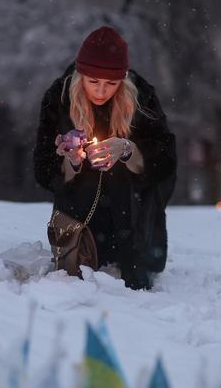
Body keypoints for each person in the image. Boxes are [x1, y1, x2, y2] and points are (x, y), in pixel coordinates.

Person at [33, 26, 177, 290]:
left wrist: (129, 151)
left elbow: (166, 161)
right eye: (93, 82)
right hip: (80, 233)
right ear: (80, 76)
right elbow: (42, 170)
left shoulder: (141, 98)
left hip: (133, 229)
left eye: (111, 84)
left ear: (122, 81)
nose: (101, 92)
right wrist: (71, 163)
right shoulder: (59, 99)